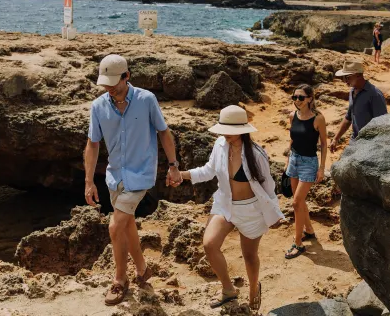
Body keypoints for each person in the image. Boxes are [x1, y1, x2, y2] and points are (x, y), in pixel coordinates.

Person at [84, 54, 181, 306]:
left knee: (115, 226)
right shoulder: (97, 106)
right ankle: (142, 269)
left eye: (113, 82)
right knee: (127, 226)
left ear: (127, 76)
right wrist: (88, 181)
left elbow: (163, 132)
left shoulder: (146, 100)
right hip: (114, 177)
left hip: (141, 176)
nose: (108, 88)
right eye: (105, 83)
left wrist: (173, 166)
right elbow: (92, 145)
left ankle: (119, 280)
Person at [168, 105, 283, 312]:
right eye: (223, 129)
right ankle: (228, 289)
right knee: (210, 244)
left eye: (228, 131)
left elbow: (268, 186)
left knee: (249, 256)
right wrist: (182, 175)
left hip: (251, 210)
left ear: (242, 130)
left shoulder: (256, 154)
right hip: (224, 204)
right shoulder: (220, 145)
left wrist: (274, 214)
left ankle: (254, 287)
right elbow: (208, 171)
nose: (224, 134)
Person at [284, 84, 329, 259]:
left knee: (296, 203)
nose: (297, 101)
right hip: (294, 160)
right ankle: (309, 231)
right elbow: (292, 139)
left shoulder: (318, 118)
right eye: (294, 97)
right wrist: (288, 159)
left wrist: (322, 168)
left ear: (310, 98)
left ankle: (298, 243)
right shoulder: (292, 116)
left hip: (309, 163)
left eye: (301, 97)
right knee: (300, 202)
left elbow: (324, 144)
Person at [329, 61, 388, 153]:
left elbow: (382, 124)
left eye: (347, 77)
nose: (345, 81)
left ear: (358, 75)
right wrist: (336, 138)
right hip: (354, 141)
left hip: (369, 145)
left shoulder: (374, 94)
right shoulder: (352, 91)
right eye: (344, 78)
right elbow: (348, 118)